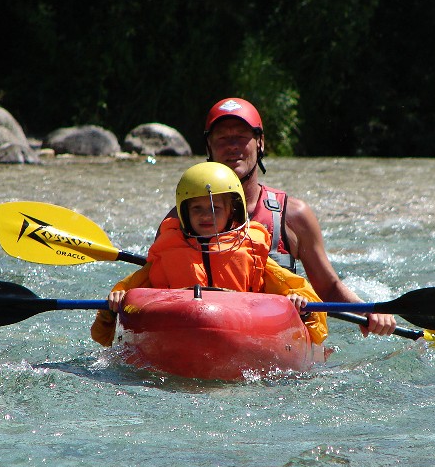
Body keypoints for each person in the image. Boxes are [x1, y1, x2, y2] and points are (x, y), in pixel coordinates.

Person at [168, 97, 396, 337]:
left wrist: (367, 311)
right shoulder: (182, 217)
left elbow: (327, 287)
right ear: (209, 147)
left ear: (260, 143)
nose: (232, 146)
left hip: (272, 343)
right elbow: (157, 279)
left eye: (241, 137)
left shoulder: (293, 216)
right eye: (222, 138)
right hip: (201, 331)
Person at [91, 162, 328, 347]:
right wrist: (111, 310)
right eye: (198, 209)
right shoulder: (167, 255)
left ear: (231, 211)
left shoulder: (252, 254)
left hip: (245, 333)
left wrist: (301, 305)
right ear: (184, 212)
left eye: (215, 208)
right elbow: (103, 336)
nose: (207, 216)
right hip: (178, 335)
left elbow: (308, 304)